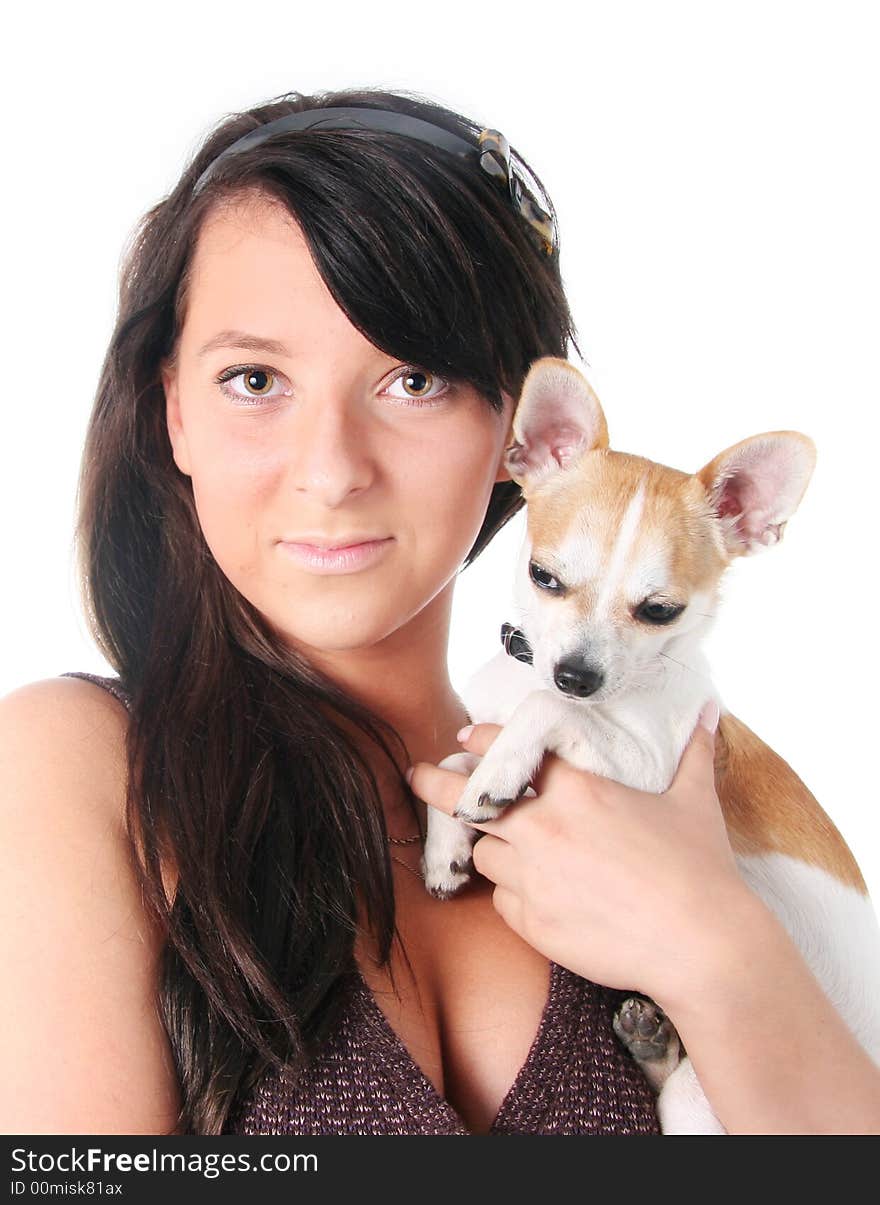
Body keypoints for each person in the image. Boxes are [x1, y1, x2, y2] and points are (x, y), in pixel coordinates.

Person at [2, 85, 878, 1138]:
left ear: (523, 429)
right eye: (253, 377)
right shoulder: (79, 762)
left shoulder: (653, 815)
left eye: (412, 379)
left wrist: (719, 950)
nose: (329, 470)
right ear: (171, 409)